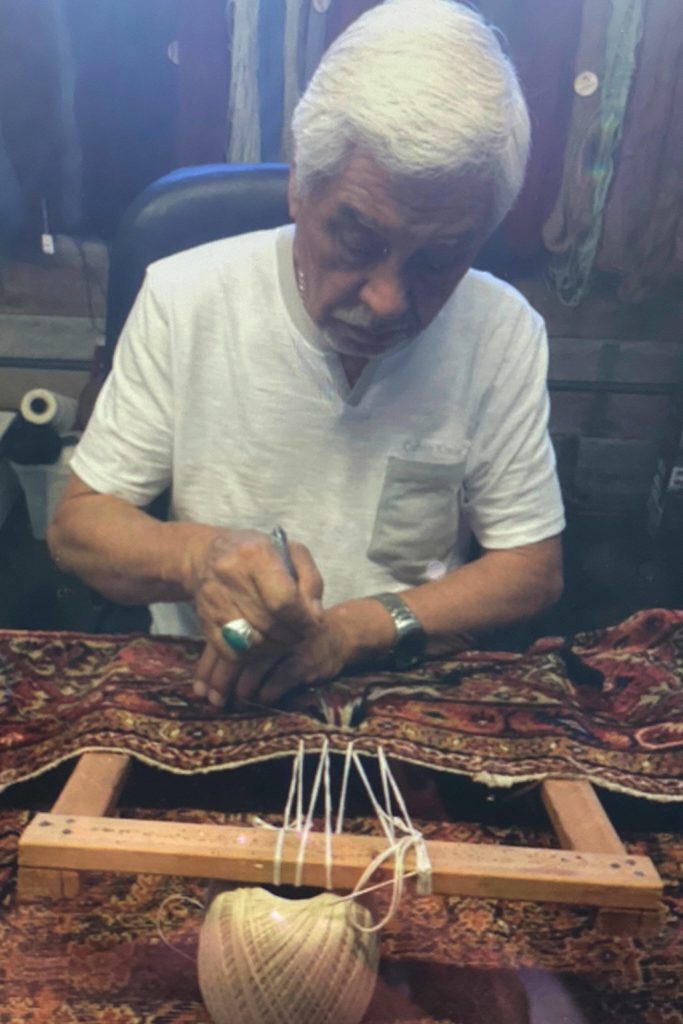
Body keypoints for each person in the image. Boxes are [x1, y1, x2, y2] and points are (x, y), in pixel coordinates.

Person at [48, 0, 565, 711]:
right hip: (211, 680)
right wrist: (199, 559)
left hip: (402, 685)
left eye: (438, 259)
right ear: (299, 186)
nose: (387, 299)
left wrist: (353, 631)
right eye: (358, 241)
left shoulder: (501, 330)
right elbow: (80, 527)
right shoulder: (186, 295)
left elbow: (530, 567)